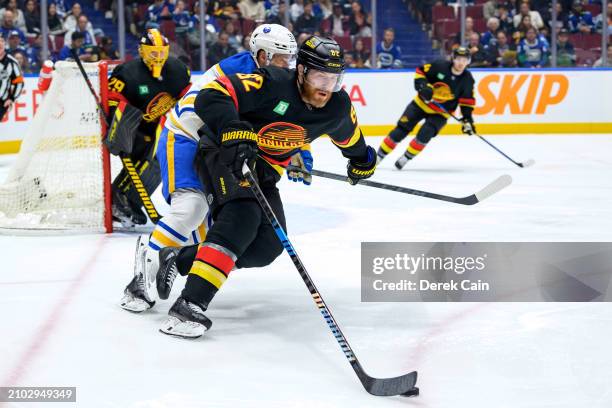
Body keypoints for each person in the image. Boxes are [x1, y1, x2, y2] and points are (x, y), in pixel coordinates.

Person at [151, 36, 376, 338]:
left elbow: (351, 140)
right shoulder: (271, 83)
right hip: (224, 153)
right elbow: (212, 94)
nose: (326, 86)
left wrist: (362, 161)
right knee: (241, 217)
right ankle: (189, 304)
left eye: (334, 79)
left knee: (266, 247)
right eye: (320, 76)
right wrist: (234, 129)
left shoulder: (337, 107)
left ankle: (180, 259)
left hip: (265, 170)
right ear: (301, 71)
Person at [119, 24, 300, 313]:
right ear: (263, 55)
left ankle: (171, 257)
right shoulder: (242, 72)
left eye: (290, 58)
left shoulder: (269, 75)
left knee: (214, 226)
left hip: (215, 143)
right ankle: (141, 277)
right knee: (191, 208)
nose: (287, 65)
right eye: (281, 58)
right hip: (186, 137)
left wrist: (297, 149)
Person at [106, 29, 191, 228]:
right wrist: (116, 126)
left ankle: (129, 199)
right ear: (142, 51)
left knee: (160, 161)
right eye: (153, 53)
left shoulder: (178, 69)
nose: (158, 58)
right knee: (151, 156)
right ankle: (121, 198)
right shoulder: (126, 73)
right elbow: (112, 101)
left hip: (159, 128)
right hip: (132, 130)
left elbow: (187, 96)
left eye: (162, 53)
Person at [375, 47, 476, 169]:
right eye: (459, 59)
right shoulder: (440, 66)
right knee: (400, 130)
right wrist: (424, 86)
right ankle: (379, 156)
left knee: (425, 134)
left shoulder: (467, 80)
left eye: (465, 60)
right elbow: (420, 72)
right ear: (453, 58)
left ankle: (406, 157)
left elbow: (467, 102)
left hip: (441, 113)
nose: (461, 63)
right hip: (420, 104)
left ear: (468, 61)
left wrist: (467, 120)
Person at [0, 36, 23, 120]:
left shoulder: (12, 62)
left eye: (2, 41)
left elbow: (19, 82)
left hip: (1, 101)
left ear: (5, 44)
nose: (0, 43)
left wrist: (11, 98)